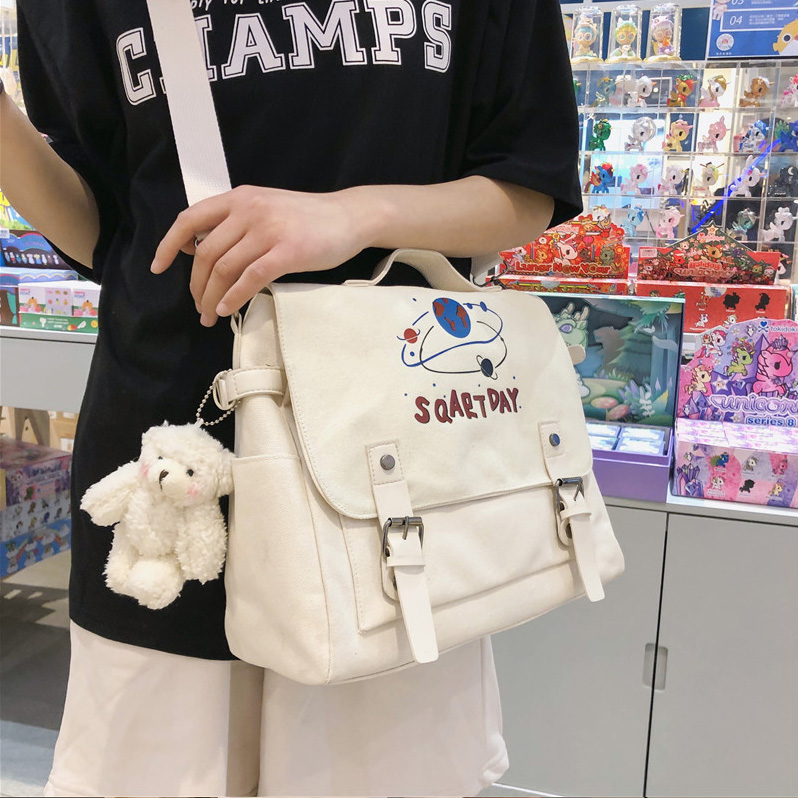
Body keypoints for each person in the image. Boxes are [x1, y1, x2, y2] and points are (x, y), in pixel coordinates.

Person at [2, 1, 581, 795]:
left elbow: (528, 184)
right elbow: (108, 228)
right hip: (173, 459)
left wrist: (354, 216)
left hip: (390, 478)